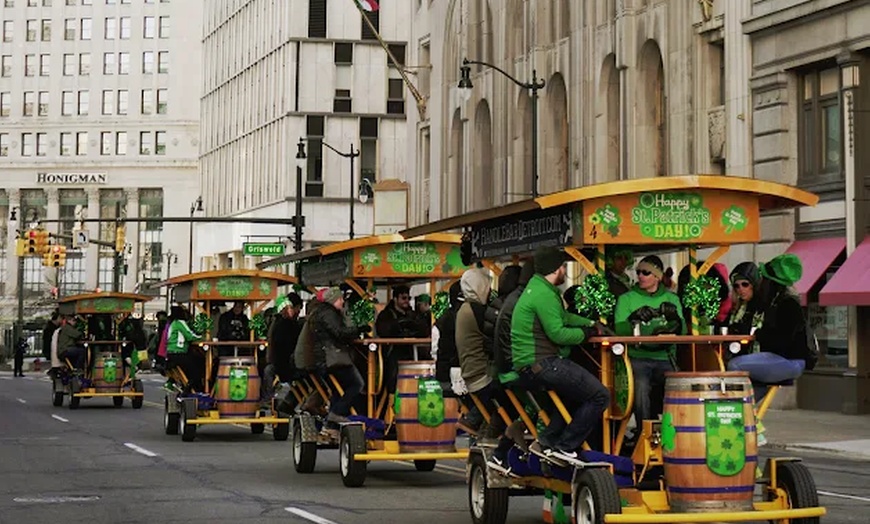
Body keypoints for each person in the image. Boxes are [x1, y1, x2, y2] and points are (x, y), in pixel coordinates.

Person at [512, 247, 610, 460]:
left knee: (576, 395)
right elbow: (558, 334)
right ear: (556, 269)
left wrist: (592, 323)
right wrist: (586, 334)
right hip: (543, 363)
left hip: (531, 363)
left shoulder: (539, 289)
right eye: (564, 266)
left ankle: (546, 442)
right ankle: (565, 447)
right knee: (600, 395)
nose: (565, 270)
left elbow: (563, 317)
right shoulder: (543, 294)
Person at [614, 255, 685, 432]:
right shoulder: (626, 299)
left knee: (680, 384)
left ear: (657, 276)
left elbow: (682, 331)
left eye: (646, 272)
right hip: (638, 357)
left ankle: (678, 430)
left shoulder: (672, 299)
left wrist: (675, 320)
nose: (640, 276)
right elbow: (619, 331)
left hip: (666, 357)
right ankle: (644, 433)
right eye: (638, 272)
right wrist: (632, 319)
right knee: (641, 385)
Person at [727, 254, 810, 401]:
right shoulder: (774, 302)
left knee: (735, 365)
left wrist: (759, 334)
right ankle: (744, 411)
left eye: (764, 279)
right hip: (781, 358)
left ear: (771, 282)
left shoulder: (787, 304)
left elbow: (783, 340)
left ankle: (738, 408)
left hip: (789, 360)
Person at [310, 287, 369, 426]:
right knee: (357, 384)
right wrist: (359, 329)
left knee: (338, 390)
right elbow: (340, 333)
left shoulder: (322, 312)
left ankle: (332, 426)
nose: (342, 301)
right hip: (331, 358)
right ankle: (337, 413)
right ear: (334, 300)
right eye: (340, 299)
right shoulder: (329, 313)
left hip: (323, 359)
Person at [455, 267, 499, 435]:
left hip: (470, 370)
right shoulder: (478, 311)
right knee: (510, 391)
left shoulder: (464, 309)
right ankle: (477, 422)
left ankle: (482, 424)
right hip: (481, 373)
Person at [375, 285, 430, 394]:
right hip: (393, 352)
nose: (407, 301)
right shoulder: (386, 314)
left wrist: (413, 325)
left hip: (412, 352)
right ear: (395, 299)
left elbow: (424, 330)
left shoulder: (413, 314)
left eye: (408, 298)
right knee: (392, 377)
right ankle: (391, 399)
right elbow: (383, 331)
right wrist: (399, 325)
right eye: (404, 298)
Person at [262, 293, 304, 409]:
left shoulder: (278, 323)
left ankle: (273, 401)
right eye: (289, 308)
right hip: (285, 365)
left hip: (279, 363)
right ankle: (286, 404)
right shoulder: (287, 325)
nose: (295, 311)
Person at [165, 306, 205, 392]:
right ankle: (193, 390)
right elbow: (190, 336)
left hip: (171, 353)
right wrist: (203, 338)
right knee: (197, 369)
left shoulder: (173, 323)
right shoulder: (180, 322)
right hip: (179, 352)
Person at [433, 280, 464, 389]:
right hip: (467, 369)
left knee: (448, 402)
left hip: (445, 370)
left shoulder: (442, 319)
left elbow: (434, 349)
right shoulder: (472, 314)